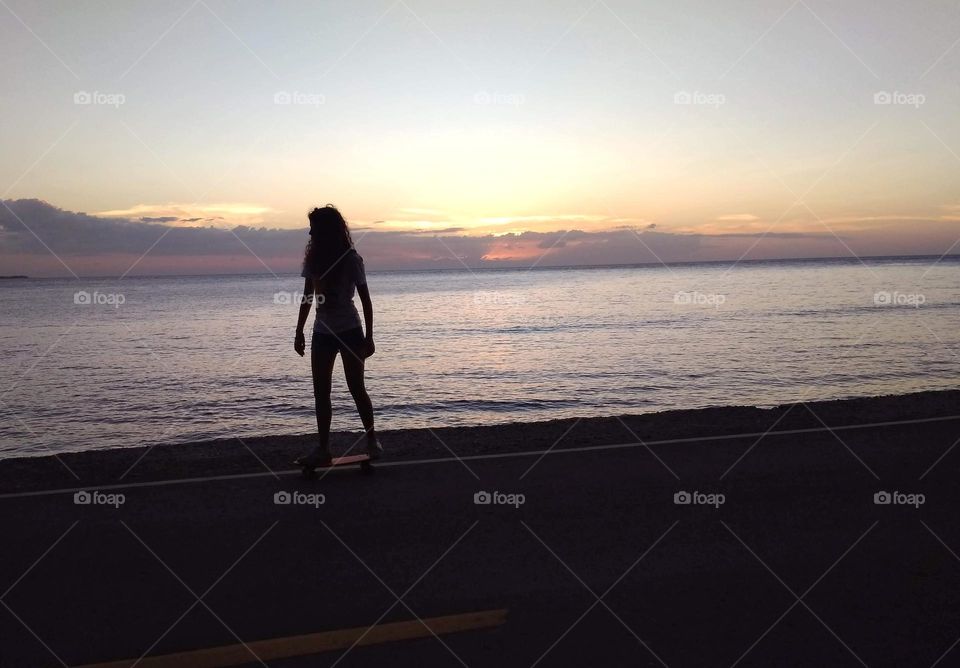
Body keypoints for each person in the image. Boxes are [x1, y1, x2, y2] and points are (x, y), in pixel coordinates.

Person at [294, 205, 381, 466]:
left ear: (325, 230)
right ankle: (323, 448)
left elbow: (366, 300)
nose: (309, 232)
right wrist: (298, 331)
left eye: (313, 227)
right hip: (322, 332)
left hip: (350, 331)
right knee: (321, 392)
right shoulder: (313, 261)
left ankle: (372, 440)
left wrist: (370, 336)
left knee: (357, 388)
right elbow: (308, 297)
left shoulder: (352, 260)